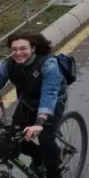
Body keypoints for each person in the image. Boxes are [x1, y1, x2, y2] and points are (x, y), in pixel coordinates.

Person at [0, 32, 68, 178]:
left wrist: (39, 122)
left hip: (53, 101)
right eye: (14, 49)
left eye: (23, 48)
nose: (18, 53)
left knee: (45, 139)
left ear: (33, 48)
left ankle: (54, 172)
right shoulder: (9, 64)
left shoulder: (48, 64)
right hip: (28, 101)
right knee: (12, 137)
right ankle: (38, 157)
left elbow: (49, 93)